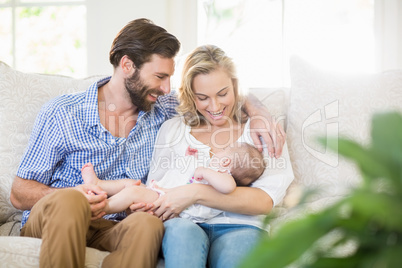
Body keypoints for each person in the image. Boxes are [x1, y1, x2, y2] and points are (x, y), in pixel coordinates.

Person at [9, 18, 285, 268]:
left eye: (169, 78)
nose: (167, 88)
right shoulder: (63, 112)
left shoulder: (161, 108)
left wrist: (259, 112)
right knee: (70, 201)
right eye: (160, 77)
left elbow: (213, 93)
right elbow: (19, 193)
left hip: (112, 223)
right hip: (56, 217)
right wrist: (80, 196)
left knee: (146, 225)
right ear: (127, 65)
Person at [138, 45, 295, 268]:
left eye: (223, 94)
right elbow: (156, 189)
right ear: (190, 95)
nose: (215, 106)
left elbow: (265, 200)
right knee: (181, 236)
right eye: (203, 97)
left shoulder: (262, 131)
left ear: (235, 86)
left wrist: (195, 193)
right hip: (183, 223)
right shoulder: (172, 130)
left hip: (242, 226)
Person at [81, 142, 266, 222]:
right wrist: (190, 158)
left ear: (226, 162)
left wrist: (203, 171)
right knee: (131, 184)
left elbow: (228, 186)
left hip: (174, 206)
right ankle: (98, 184)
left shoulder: (223, 178)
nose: (219, 151)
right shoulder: (214, 172)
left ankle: (103, 206)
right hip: (165, 194)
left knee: (132, 192)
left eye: (225, 149)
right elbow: (187, 178)